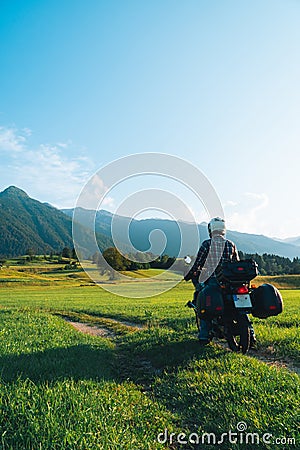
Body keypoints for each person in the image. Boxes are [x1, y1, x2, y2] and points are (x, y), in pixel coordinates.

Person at [184, 217, 256, 346]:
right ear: (223, 229)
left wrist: (190, 273)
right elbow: (236, 263)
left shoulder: (207, 244)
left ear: (211, 229)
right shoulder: (231, 244)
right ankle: (251, 333)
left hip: (213, 280)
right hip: (232, 283)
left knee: (203, 300)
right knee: (242, 307)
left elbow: (198, 262)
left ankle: (204, 335)